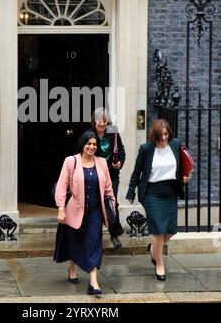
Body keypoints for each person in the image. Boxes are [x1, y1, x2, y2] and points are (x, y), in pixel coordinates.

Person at [125, 119, 191, 281]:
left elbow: (182, 167)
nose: (163, 138)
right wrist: (131, 192)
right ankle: (159, 263)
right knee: (158, 229)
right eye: (160, 135)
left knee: (170, 230)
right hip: (152, 194)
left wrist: (184, 177)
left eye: (166, 134)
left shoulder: (175, 145)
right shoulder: (146, 149)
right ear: (154, 135)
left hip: (170, 192)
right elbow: (137, 172)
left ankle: (154, 249)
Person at [54, 130, 115, 296]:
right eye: (89, 143)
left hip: (96, 211)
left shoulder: (102, 162)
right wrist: (60, 208)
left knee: (94, 242)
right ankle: (72, 267)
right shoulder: (71, 161)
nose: (92, 147)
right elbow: (61, 185)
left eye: (94, 144)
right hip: (75, 209)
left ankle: (93, 282)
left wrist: (112, 208)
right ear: (83, 144)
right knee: (75, 240)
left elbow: (108, 188)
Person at [91, 108, 126, 249]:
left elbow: (121, 151)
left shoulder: (113, 132)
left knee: (112, 204)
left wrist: (119, 163)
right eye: (99, 120)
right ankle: (95, 235)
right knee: (95, 205)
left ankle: (114, 234)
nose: (102, 123)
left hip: (111, 175)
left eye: (104, 120)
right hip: (94, 174)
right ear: (94, 121)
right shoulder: (90, 134)